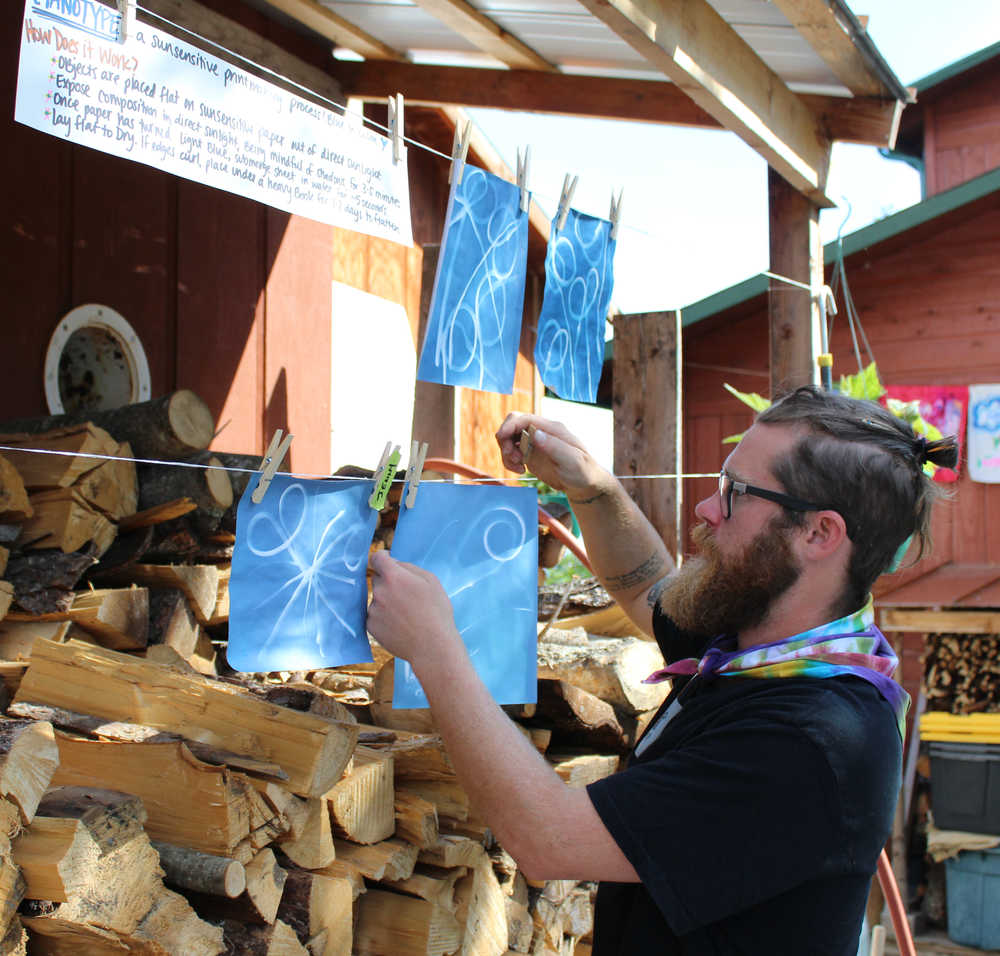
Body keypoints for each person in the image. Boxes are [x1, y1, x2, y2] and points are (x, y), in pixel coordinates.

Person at [367, 386, 959, 955]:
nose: (706, 506)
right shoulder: (769, 640)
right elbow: (657, 592)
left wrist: (437, 650)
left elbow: (549, 839)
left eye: (736, 492)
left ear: (818, 532)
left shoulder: (812, 739)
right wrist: (592, 489)